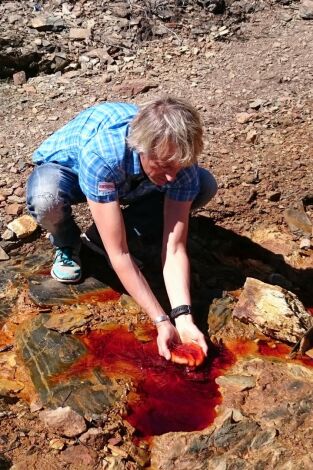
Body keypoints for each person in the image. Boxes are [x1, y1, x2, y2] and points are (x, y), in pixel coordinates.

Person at [26, 96, 218, 362]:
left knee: (203, 184)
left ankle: (102, 235)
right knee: (46, 200)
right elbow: (120, 255)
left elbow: (174, 249)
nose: (173, 176)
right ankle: (68, 242)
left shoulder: (176, 161)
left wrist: (182, 318)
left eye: (178, 166)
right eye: (164, 166)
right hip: (67, 172)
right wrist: (161, 321)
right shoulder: (103, 155)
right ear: (142, 149)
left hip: (130, 179)